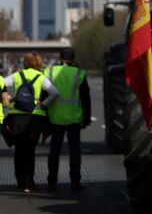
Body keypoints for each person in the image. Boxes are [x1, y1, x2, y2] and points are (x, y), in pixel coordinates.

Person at [3, 51, 58, 192]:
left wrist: (8, 98)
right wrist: (44, 104)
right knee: (30, 151)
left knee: (19, 151)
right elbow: (54, 93)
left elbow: (1, 83)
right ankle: (29, 183)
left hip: (16, 118)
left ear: (25, 62)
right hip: (34, 119)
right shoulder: (41, 77)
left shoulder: (17, 75)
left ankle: (20, 182)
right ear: (39, 63)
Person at [45, 48, 91, 191]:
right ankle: (75, 181)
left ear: (60, 57)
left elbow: (43, 96)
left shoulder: (49, 72)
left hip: (55, 118)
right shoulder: (79, 74)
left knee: (54, 151)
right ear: (73, 58)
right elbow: (85, 98)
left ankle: (52, 182)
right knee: (74, 152)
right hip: (74, 119)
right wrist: (86, 118)